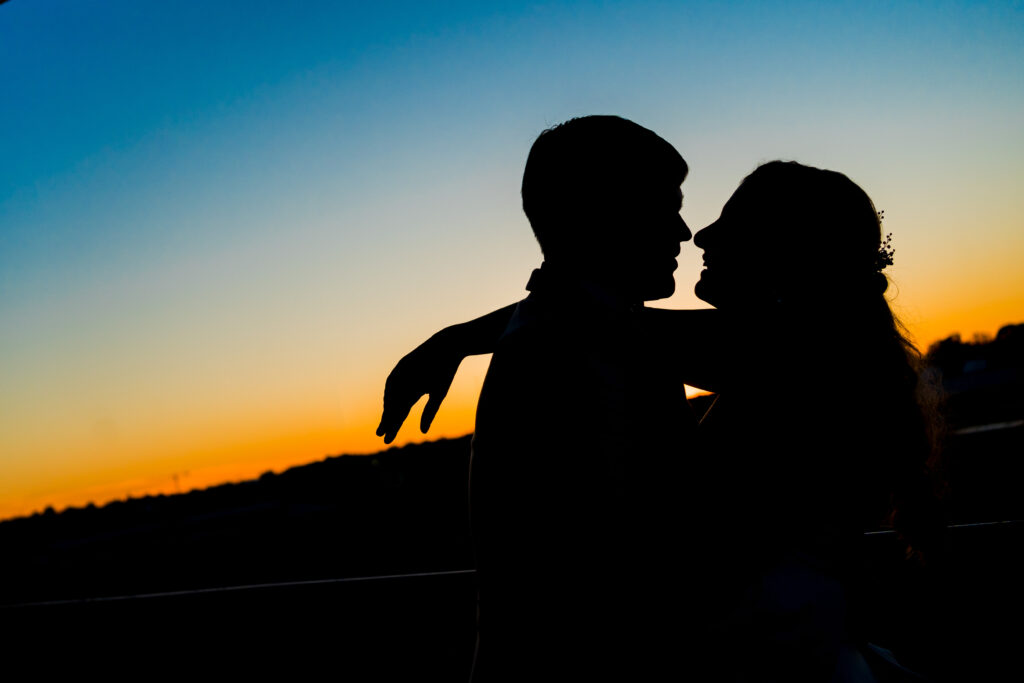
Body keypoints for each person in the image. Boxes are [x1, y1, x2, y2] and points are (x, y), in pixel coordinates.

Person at [378, 159, 943, 681]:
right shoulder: (812, 348)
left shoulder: (790, 348)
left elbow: (596, 320)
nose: (700, 235)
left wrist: (451, 341)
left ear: (778, 251)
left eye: (729, 223)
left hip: (782, 656)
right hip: (791, 640)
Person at [383, 115, 701, 681]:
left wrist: (456, 337)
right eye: (665, 206)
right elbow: (615, 571)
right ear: (607, 216)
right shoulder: (562, 352)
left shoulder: (585, 330)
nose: (683, 231)